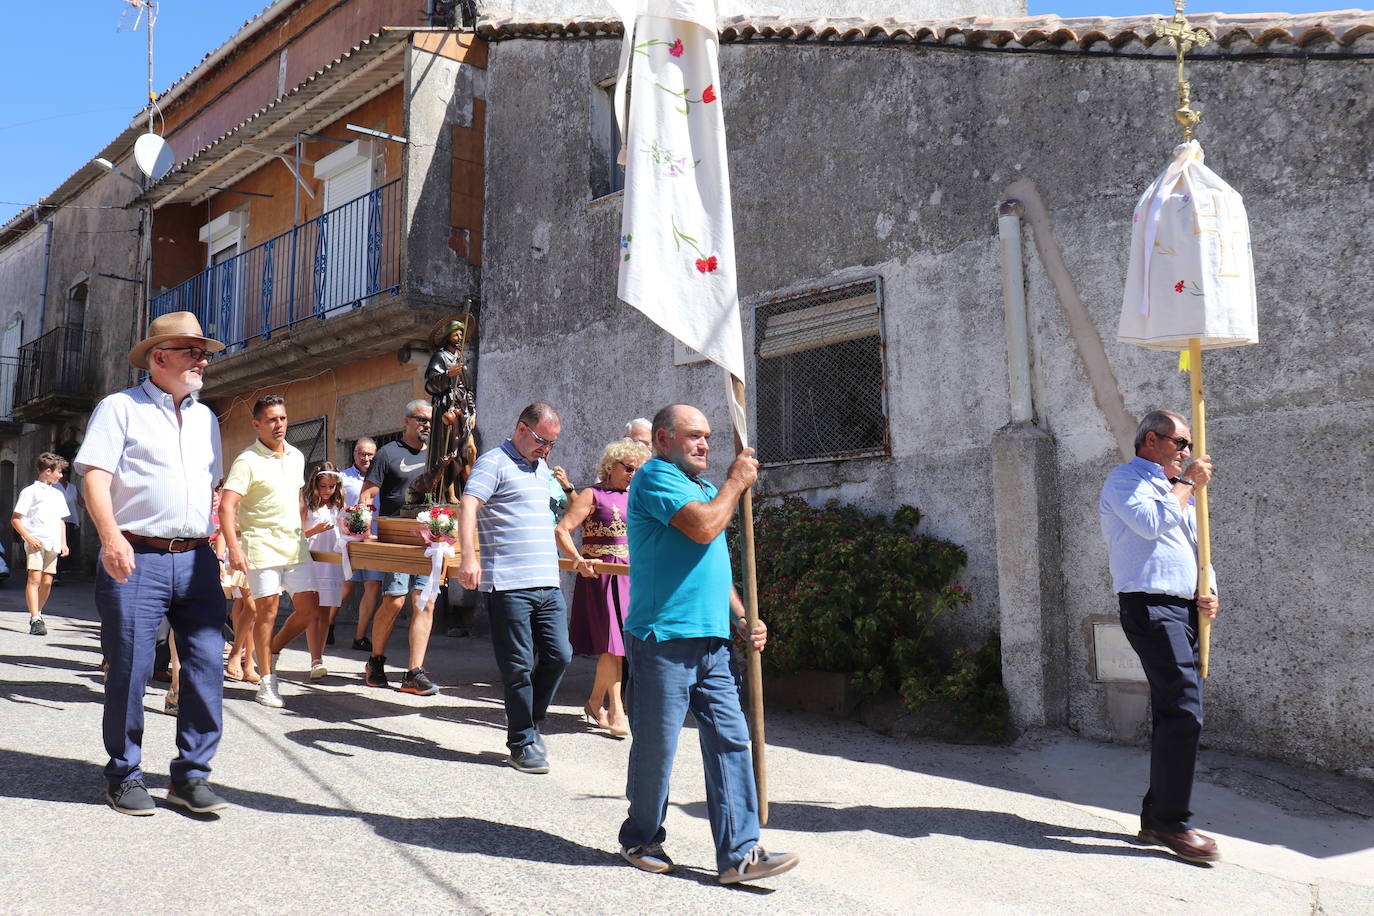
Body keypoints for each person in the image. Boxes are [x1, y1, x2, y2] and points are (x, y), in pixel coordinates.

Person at [617, 404, 798, 885]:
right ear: (661, 440)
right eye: (693, 436)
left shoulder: (700, 488)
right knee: (657, 749)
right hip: (663, 639)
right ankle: (641, 836)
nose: (705, 445)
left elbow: (711, 561)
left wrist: (742, 616)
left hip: (713, 642)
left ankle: (740, 854)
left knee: (731, 741)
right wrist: (736, 483)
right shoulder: (655, 478)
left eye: (708, 437)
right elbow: (702, 527)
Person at [75, 310, 230, 815]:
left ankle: (190, 776)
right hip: (135, 554)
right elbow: (94, 477)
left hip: (196, 558)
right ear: (158, 358)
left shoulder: (207, 418)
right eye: (193, 352)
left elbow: (211, 487)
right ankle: (124, 774)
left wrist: (219, 543)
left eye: (204, 353)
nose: (203, 361)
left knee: (207, 665)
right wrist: (111, 537)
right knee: (132, 667)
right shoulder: (120, 408)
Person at [1099, 409, 1219, 864]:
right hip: (1151, 606)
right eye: (1181, 443)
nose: (1188, 452)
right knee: (1184, 709)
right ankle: (1171, 823)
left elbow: (1194, 546)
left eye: (1188, 445)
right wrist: (1187, 483)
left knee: (1179, 710)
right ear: (1153, 440)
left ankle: (1156, 818)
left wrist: (1208, 590)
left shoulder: (1182, 493)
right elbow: (1149, 526)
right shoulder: (1125, 480)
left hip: (1186, 607)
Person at [458, 403, 572, 774]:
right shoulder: (494, 462)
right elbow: (469, 505)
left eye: (552, 443)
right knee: (519, 667)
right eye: (542, 441)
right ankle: (522, 741)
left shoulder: (541, 470)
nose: (547, 450)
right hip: (508, 584)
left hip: (546, 582)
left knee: (560, 656)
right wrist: (469, 558)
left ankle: (529, 722)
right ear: (521, 428)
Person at [219, 394, 321, 709]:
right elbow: (226, 507)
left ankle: (271, 651)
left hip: (294, 546)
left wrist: (308, 531)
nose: (279, 425)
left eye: (283, 418)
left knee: (308, 609)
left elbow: (297, 499)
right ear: (257, 424)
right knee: (267, 612)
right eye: (272, 420)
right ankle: (266, 681)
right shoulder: (246, 460)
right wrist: (233, 549)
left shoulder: (296, 456)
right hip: (260, 547)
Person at [554, 437, 651, 738]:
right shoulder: (591, 494)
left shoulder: (635, 497)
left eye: (638, 469)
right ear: (612, 466)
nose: (633, 474)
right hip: (600, 577)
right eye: (629, 468)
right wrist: (578, 559)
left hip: (629, 576)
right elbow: (562, 530)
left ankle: (596, 703)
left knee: (618, 644)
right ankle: (617, 709)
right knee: (612, 645)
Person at [359, 399, 439, 695]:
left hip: (431, 540)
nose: (427, 425)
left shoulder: (437, 455)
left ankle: (414, 673)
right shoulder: (388, 453)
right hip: (397, 538)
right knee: (394, 600)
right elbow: (368, 495)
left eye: (430, 421)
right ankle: (375, 661)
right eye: (421, 419)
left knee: (425, 601)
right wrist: (360, 528)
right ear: (406, 421)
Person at [12, 452, 71, 636]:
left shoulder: (58, 494)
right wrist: (28, 538)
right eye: (59, 472)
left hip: (52, 543)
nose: (61, 476)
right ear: (47, 471)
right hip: (35, 541)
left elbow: (61, 520)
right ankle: (35, 617)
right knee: (35, 578)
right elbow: (15, 519)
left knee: (47, 581)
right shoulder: (30, 492)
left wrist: (64, 543)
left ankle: (38, 612)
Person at [423, 316, 477, 504]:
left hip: (463, 409)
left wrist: (473, 411)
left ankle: (469, 493)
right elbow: (430, 384)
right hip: (447, 408)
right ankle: (449, 493)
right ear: (448, 336)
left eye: (462, 333)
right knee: (449, 451)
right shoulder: (440, 357)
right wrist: (447, 375)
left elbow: (468, 389)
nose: (460, 336)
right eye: (456, 333)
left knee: (469, 450)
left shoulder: (460, 359)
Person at [303, 464, 346, 677]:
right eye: (323, 486)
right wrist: (315, 530)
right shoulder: (308, 506)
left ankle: (320, 656)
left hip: (332, 563)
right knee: (312, 612)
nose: (327, 491)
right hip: (312, 562)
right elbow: (297, 534)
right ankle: (315, 659)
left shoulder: (339, 506)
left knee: (326, 614)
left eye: (331, 486)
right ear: (315, 485)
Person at [338, 437, 380, 651]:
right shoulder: (342, 478)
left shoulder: (383, 477)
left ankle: (360, 637)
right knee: (346, 587)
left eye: (370, 454)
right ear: (354, 454)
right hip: (351, 542)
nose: (366, 458)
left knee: (373, 587)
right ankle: (326, 627)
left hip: (375, 541)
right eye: (362, 453)